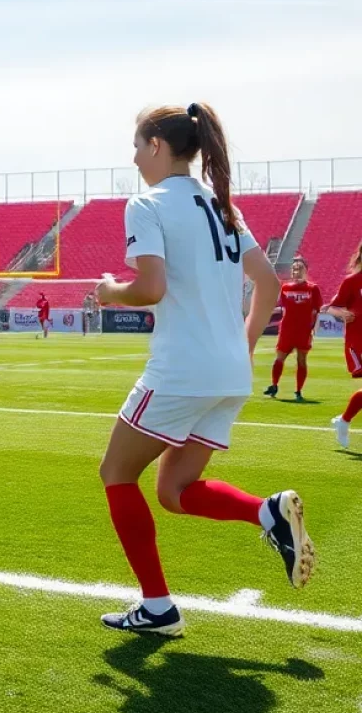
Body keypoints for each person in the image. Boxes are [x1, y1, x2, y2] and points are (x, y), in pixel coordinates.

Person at [95, 103, 314, 638]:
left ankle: (157, 608)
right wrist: (243, 344)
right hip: (228, 374)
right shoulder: (224, 210)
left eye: (135, 144)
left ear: (154, 145)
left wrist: (107, 291)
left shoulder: (146, 204)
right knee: (174, 490)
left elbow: (149, 289)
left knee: (116, 473)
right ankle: (267, 512)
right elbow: (269, 285)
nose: (132, 156)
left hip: (182, 369)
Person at [264, 256, 322, 401]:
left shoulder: (312, 289)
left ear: (305, 271)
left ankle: (298, 391)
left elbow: (316, 310)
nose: (296, 271)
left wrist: (313, 329)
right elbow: (284, 308)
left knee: (301, 359)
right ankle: (274, 385)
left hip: (303, 330)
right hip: (287, 329)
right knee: (279, 358)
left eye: (300, 269)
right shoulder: (285, 287)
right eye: (294, 269)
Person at [326, 241, 362, 449]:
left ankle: (344, 420)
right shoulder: (352, 282)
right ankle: (344, 420)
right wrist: (342, 314)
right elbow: (332, 307)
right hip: (358, 341)